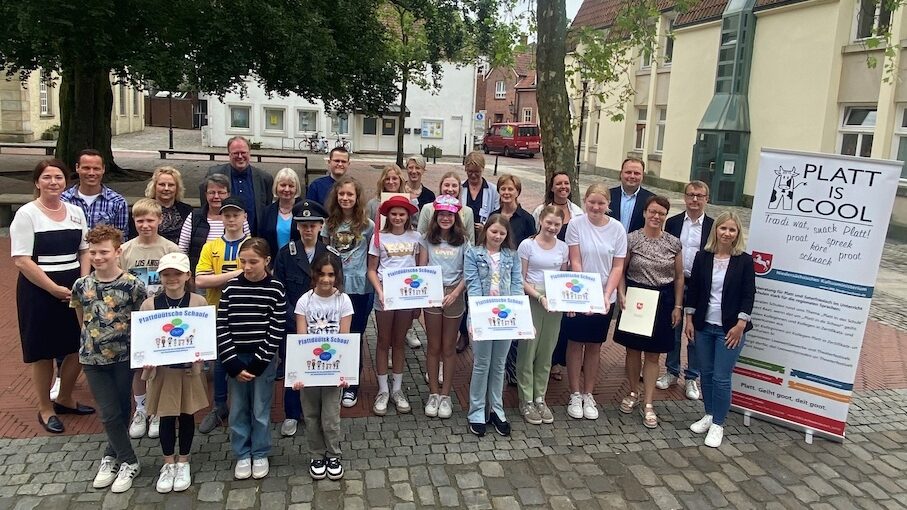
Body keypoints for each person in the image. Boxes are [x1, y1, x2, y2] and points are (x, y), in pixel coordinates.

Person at [12, 159, 92, 434]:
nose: (53, 182)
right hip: (39, 290)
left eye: (58, 177)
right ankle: (45, 408)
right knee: (42, 352)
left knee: (78, 346)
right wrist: (51, 287)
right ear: (37, 182)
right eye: (47, 177)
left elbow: (84, 250)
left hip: (73, 287)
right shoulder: (26, 214)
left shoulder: (75, 212)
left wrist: (82, 281)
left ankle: (65, 397)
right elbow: (22, 260)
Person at [70, 225, 147, 493]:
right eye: (93, 252)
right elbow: (82, 316)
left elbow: (141, 320)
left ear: (118, 252)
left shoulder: (133, 285)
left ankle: (110, 454)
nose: (98, 257)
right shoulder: (81, 285)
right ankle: (129, 460)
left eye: (104, 252)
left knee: (123, 408)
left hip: (124, 356)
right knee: (107, 411)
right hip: (92, 358)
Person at [216, 238, 286, 480]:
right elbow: (222, 325)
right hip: (236, 357)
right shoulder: (231, 287)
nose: (247, 267)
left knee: (260, 408)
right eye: (243, 261)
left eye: (253, 262)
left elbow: (276, 328)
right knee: (237, 409)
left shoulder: (275, 288)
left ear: (266, 261)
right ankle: (242, 453)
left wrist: (258, 363)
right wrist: (231, 362)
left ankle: (260, 451)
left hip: (262, 360)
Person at [684, 211, 755, 448]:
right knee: (706, 374)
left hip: (730, 329)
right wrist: (689, 319)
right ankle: (709, 414)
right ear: (716, 230)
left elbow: (748, 294)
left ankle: (719, 424)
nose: (727, 233)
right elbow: (693, 290)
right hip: (704, 325)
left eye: (732, 230)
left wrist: (741, 324)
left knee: (722, 378)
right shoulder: (702, 257)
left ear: (737, 234)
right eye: (723, 228)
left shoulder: (744, 261)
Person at [139, 252, 209, 493]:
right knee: (166, 416)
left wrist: (203, 354)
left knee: (187, 415)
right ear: (160, 276)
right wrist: (146, 359)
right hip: (163, 372)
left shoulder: (198, 303)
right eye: (167, 274)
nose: (172, 278)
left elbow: (204, 336)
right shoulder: (150, 305)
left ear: (187, 275)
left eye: (177, 274)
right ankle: (168, 462)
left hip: (189, 371)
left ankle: (184, 461)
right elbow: (144, 339)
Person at [614, 196, 683, 429]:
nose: (656, 216)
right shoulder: (631, 239)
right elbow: (620, 271)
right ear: (645, 213)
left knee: (653, 355)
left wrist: (678, 306)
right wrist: (621, 294)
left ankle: (649, 402)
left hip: (663, 300)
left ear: (665, 216)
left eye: (661, 213)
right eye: (652, 211)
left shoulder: (674, 243)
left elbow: (679, 277)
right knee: (632, 350)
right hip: (636, 299)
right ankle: (633, 391)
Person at [563, 184, 626, 421]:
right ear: (585, 201)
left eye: (601, 203)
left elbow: (618, 265)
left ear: (608, 205)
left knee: (594, 345)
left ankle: (588, 393)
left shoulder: (618, 229)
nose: (596, 207)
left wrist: (606, 294)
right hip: (579, 293)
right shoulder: (576, 225)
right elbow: (575, 261)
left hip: (604, 297)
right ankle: (574, 393)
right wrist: (587, 295)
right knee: (575, 342)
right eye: (592, 202)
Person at [119, 199, 181, 440]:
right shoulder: (125, 250)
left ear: (160, 220)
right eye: (140, 220)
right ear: (134, 222)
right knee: (140, 366)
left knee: (161, 367)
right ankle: (141, 409)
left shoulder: (170, 249)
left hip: (164, 317)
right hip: (136, 317)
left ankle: (158, 411)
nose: (145, 225)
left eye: (150, 220)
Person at [292, 252, 353, 481]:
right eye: (322, 274)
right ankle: (316, 455)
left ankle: (333, 454)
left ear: (337, 276)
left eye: (331, 275)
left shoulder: (343, 301)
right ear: (314, 274)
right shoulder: (304, 301)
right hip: (309, 370)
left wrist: (344, 372)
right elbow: (301, 339)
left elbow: (344, 339)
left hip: (333, 371)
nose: (326, 280)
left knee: (330, 417)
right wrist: (298, 374)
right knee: (311, 415)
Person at [274, 199, 331, 437]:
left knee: (319, 367)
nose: (308, 229)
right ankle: (291, 413)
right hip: (293, 324)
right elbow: (280, 290)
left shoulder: (328, 254)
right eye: (303, 225)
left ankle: (315, 413)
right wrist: (295, 319)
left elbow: (336, 292)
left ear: (320, 226)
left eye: (313, 225)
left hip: (322, 325)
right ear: (297, 227)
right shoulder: (286, 254)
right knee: (293, 367)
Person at [195, 197, 251, 434]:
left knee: (246, 359)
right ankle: (219, 406)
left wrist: (219, 279)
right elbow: (200, 280)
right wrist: (237, 273)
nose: (231, 219)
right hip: (218, 311)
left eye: (235, 215)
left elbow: (258, 275)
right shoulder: (211, 247)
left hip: (248, 313)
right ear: (221, 218)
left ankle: (246, 406)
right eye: (226, 215)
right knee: (220, 361)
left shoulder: (253, 245)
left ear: (244, 217)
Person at [464, 214, 522, 437]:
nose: (497, 236)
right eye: (493, 231)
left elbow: (516, 285)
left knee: (499, 365)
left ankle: (496, 409)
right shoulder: (473, 253)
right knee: (482, 364)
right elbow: (473, 286)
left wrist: (519, 316)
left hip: (506, 318)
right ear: (486, 230)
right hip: (482, 317)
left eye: (502, 233)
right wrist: (477, 318)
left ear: (507, 235)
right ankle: (477, 410)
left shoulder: (511, 256)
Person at [658, 181, 714, 400]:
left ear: (706, 199)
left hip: (700, 286)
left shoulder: (713, 226)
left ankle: (692, 377)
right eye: (691, 195)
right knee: (673, 328)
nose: (695, 200)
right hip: (675, 283)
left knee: (695, 333)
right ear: (684, 197)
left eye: (700, 196)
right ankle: (671, 371)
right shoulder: (672, 223)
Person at [323, 176, 375, 408]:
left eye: (350, 195)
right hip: (334, 288)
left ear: (357, 198)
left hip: (360, 289)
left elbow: (373, 257)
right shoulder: (329, 224)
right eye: (341, 194)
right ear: (336, 196)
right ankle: (335, 376)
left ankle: (351, 385)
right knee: (334, 334)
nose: (345, 198)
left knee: (354, 337)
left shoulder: (368, 225)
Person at [367, 195, 421, 416]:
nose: (398, 217)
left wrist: (419, 299)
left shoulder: (416, 237)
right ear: (387, 216)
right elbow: (371, 268)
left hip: (407, 298)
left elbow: (419, 269)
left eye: (402, 214)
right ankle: (382, 390)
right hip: (385, 297)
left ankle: (397, 389)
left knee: (399, 342)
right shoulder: (379, 238)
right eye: (394, 214)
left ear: (408, 216)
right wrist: (379, 291)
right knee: (383, 341)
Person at [516, 205, 568, 425]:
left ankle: (540, 397)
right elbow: (520, 278)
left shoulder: (563, 248)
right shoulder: (527, 245)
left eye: (557, 224)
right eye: (549, 223)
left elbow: (563, 277)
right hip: (532, 299)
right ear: (541, 221)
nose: (552, 228)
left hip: (554, 304)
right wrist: (539, 297)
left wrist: (561, 299)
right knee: (528, 350)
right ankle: (525, 399)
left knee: (546, 351)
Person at [418, 195, 468, 419]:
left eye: (450, 214)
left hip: (454, 294)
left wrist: (455, 293)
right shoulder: (427, 239)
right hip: (432, 294)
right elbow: (421, 267)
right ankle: (433, 394)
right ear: (435, 216)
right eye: (442, 214)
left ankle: (446, 395)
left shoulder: (464, 241)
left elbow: (468, 272)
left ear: (455, 217)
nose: (445, 218)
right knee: (433, 346)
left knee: (449, 347)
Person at [532, 171, 583, 383]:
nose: (563, 186)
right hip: (543, 274)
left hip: (567, 272)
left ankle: (553, 363)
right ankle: (538, 362)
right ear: (551, 187)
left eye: (566, 183)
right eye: (558, 183)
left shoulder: (578, 213)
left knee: (559, 325)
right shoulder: (539, 211)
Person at [490, 174, 536, 387]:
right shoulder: (493, 216)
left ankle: (512, 370)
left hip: (516, 278)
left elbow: (531, 249)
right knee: (498, 322)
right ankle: (498, 367)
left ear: (518, 192)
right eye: (503, 189)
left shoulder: (526, 219)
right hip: (494, 278)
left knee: (513, 325)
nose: (506, 193)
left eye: (511, 189)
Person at [179, 174, 251, 274]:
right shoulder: (194, 217)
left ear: (228, 194)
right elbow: (182, 249)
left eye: (221, 192)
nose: (216, 196)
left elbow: (248, 245)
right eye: (211, 192)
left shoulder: (240, 219)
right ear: (205, 194)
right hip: (200, 274)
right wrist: (187, 274)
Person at [203, 136, 274, 235]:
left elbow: (267, 209)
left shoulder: (264, 178)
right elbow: (206, 205)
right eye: (236, 153)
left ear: (250, 153)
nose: (240, 156)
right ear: (229, 154)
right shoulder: (214, 174)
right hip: (221, 238)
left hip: (255, 239)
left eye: (243, 153)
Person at [61, 149, 129, 236]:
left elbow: (121, 238)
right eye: (86, 168)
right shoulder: (63, 200)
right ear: (77, 168)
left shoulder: (118, 202)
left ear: (103, 169)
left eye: (96, 169)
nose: (91, 173)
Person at [131, 166, 193, 243]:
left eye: (171, 185)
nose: (166, 188)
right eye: (162, 184)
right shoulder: (143, 209)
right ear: (154, 186)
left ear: (177, 188)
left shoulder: (187, 211)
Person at [258, 167, 303, 262]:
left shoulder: (304, 210)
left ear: (296, 188)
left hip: (300, 264)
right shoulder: (267, 212)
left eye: (291, 186)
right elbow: (262, 241)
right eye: (283, 185)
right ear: (276, 186)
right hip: (273, 264)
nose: (287, 189)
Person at [460, 151, 500, 241]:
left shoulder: (493, 190)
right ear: (465, 169)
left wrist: (486, 227)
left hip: (484, 237)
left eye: (477, 172)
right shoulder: (459, 188)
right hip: (462, 236)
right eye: (470, 171)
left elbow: (497, 214)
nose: (473, 175)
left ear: (483, 169)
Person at [608, 157, 655, 233]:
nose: (632, 176)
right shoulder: (607, 195)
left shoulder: (652, 200)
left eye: (637, 173)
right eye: (628, 172)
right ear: (621, 174)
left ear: (643, 176)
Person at [405, 155, 436, 220]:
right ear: (407, 169)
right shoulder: (398, 190)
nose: (414, 171)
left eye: (417, 168)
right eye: (410, 167)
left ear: (423, 170)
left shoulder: (429, 196)